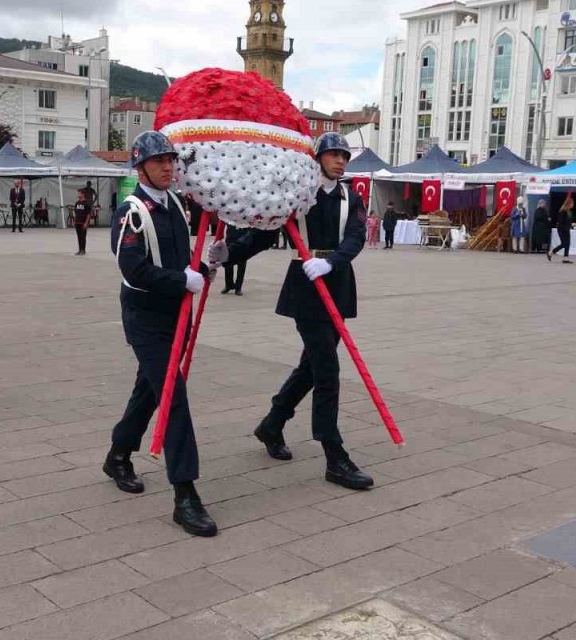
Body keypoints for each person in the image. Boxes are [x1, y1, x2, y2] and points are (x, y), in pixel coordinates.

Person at [217, 132, 374, 491]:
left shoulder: (353, 196)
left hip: (335, 282)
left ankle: (272, 423)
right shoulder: (299, 194)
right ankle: (334, 455)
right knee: (327, 371)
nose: (339, 161)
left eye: (344, 156)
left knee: (311, 367)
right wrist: (232, 254)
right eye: (333, 155)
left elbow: (355, 237)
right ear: (317, 158)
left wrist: (332, 262)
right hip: (305, 285)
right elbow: (264, 233)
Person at [104, 131, 218, 538]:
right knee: (174, 396)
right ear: (141, 167)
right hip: (147, 318)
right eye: (159, 162)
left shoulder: (177, 206)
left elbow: (180, 261)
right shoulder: (131, 212)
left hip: (177, 314)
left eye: (172, 161)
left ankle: (118, 453)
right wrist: (182, 280)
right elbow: (132, 269)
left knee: (150, 391)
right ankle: (185, 495)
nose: (169, 167)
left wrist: (204, 268)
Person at [548, 197, 575, 264]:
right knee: (564, 244)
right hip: (562, 230)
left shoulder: (569, 212)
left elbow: (568, 221)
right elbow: (561, 222)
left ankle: (565, 258)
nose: (573, 205)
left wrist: (571, 224)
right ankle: (551, 252)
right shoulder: (563, 211)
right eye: (572, 204)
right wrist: (565, 228)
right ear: (569, 204)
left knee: (567, 244)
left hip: (567, 229)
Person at [222, 225, 247, 295]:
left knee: (241, 263)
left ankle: (238, 287)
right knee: (227, 261)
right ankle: (228, 285)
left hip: (243, 236)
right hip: (230, 236)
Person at [72, 189, 91, 255]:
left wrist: (86, 223)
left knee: (83, 236)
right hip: (77, 222)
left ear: (83, 194)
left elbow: (88, 214)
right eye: (78, 193)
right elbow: (76, 213)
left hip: (83, 223)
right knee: (79, 236)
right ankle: (79, 249)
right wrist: (74, 221)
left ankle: (83, 250)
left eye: (79, 193)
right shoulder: (77, 203)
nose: (78, 195)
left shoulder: (86, 203)